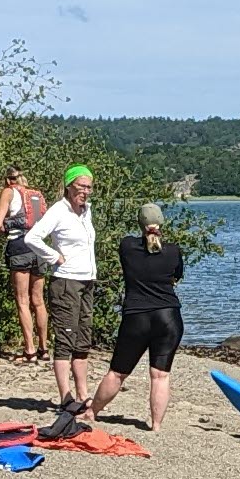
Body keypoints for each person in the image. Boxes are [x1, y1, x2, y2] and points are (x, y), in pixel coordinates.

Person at [86, 201, 186, 431]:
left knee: (118, 372)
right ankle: (156, 425)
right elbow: (176, 277)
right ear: (162, 223)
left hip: (136, 316)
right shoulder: (173, 250)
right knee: (160, 375)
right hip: (169, 316)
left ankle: (92, 412)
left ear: (139, 224)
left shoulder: (127, 246)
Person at [25, 163, 101, 413]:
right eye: (81, 187)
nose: (85, 192)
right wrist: (54, 256)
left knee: (82, 340)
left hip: (87, 280)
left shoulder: (86, 211)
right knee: (66, 340)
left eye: (89, 187)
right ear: (69, 186)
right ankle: (65, 396)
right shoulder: (59, 210)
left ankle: (83, 394)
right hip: (66, 281)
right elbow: (32, 238)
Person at [0, 165, 50, 362]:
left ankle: (30, 350)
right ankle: (44, 349)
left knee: (23, 301)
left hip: (19, 246)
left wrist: (7, 227)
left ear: (9, 180)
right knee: (39, 301)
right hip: (40, 248)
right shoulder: (36, 195)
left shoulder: (9, 192)